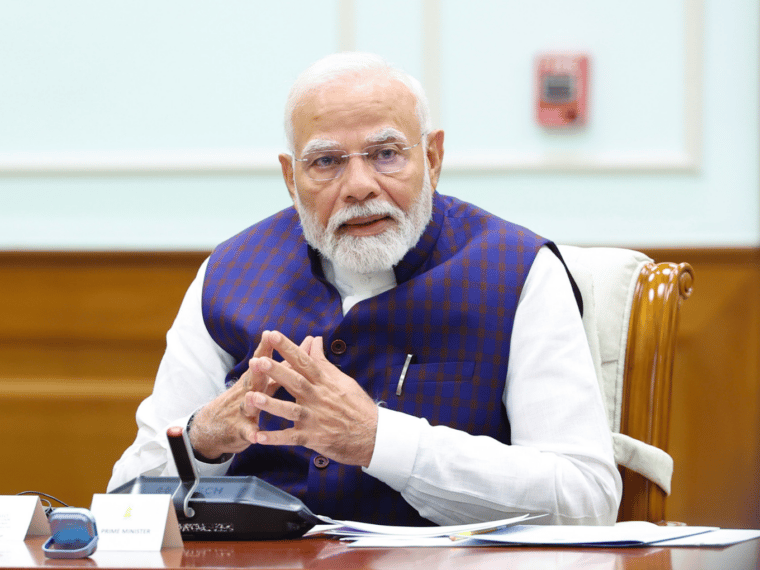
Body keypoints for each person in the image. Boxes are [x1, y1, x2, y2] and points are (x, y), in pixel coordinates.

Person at [108, 52, 622, 526]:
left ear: (433, 158)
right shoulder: (228, 273)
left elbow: (586, 498)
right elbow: (124, 502)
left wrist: (380, 440)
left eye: (386, 154)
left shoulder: (519, 271)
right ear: (291, 178)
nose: (358, 186)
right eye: (326, 162)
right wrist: (200, 440)